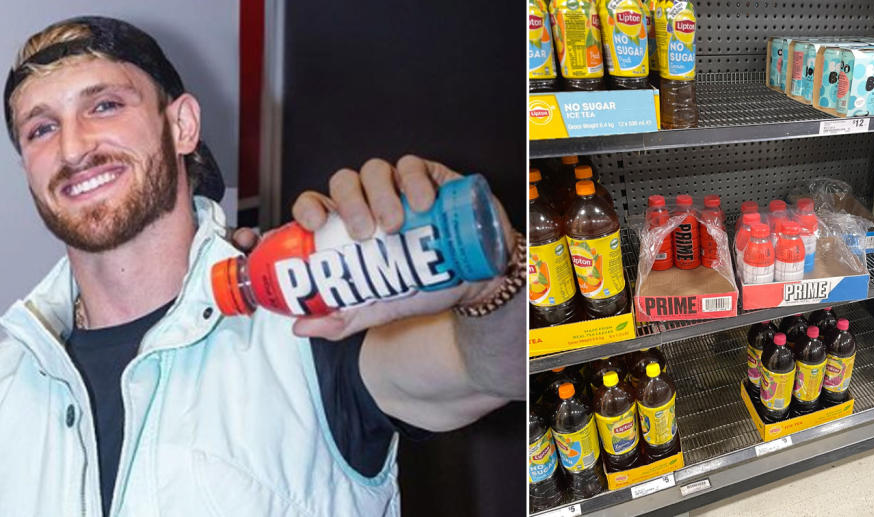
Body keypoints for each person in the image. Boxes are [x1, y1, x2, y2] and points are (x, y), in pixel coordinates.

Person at [0, 16, 525, 516]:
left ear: (182, 125)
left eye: (105, 105)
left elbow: (503, 369)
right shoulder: (12, 372)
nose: (72, 148)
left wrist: (492, 283)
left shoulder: (307, 313)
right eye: (41, 129)